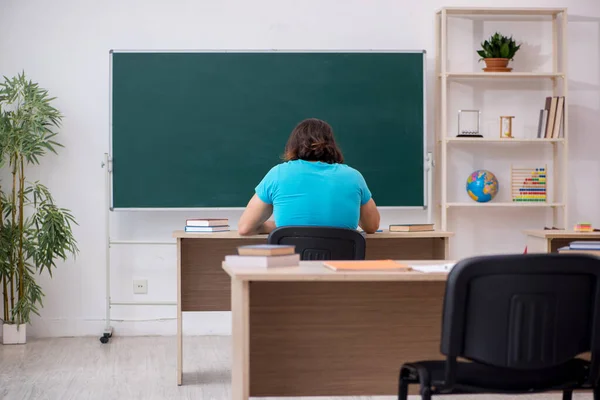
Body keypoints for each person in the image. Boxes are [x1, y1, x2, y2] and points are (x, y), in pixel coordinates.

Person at [238, 118, 380, 236]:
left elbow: (245, 228)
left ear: (293, 145)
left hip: (293, 266)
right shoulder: (353, 177)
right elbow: (371, 226)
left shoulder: (278, 174)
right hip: (340, 266)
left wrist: (275, 227)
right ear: (332, 145)